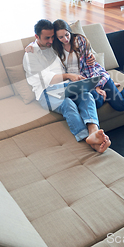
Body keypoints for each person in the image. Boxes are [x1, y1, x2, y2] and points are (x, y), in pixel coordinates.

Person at [23, 19, 111, 153]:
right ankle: (87, 139)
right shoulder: (30, 56)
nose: (51, 41)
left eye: (52, 37)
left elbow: (71, 40)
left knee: (86, 94)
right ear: (37, 37)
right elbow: (48, 80)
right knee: (67, 103)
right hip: (45, 92)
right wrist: (69, 76)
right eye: (47, 38)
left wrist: (90, 56)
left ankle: (94, 131)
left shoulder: (52, 46)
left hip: (65, 86)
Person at [51, 19, 124, 111]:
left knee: (121, 105)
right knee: (98, 101)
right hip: (80, 82)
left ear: (69, 31)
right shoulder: (55, 49)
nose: (65, 39)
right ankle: (109, 86)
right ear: (56, 37)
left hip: (95, 75)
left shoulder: (80, 40)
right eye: (61, 37)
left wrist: (97, 86)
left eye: (67, 35)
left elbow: (90, 67)